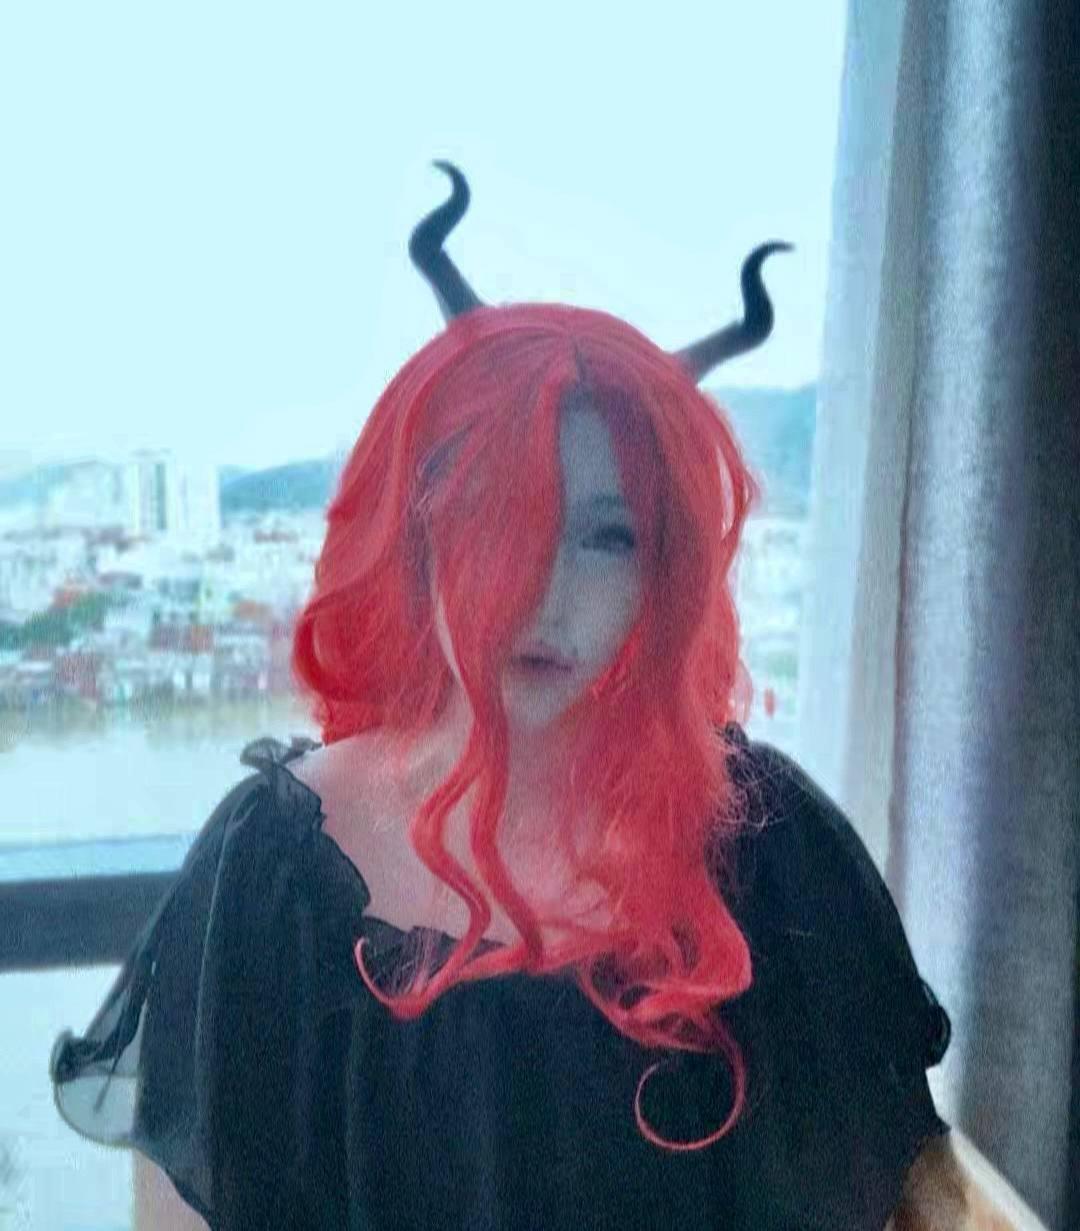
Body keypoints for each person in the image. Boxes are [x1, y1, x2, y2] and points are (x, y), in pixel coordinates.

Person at [51, 162, 972, 1230]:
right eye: (498, 520)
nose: (542, 593)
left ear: (663, 569)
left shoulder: (774, 850)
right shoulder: (272, 872)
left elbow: (894, 1201)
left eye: (605, 536)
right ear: (418, 535)